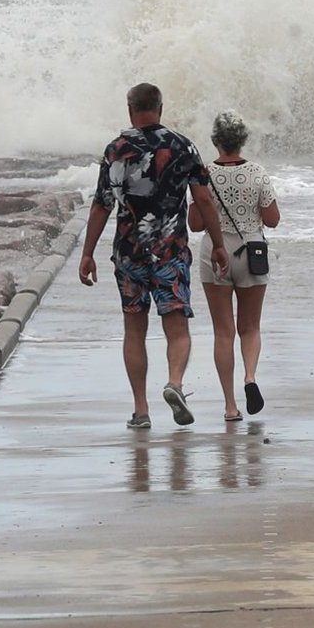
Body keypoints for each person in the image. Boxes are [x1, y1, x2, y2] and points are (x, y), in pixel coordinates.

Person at [79, 83, 229, 429]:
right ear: (160, 109)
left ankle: (141, 410)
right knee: (177, 327)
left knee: (134, 329)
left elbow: (102, 205)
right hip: (170, 251)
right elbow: (204, 200)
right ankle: (174, 382)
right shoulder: (182, 145)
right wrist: (219, 244)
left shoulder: (116, 149)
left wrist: (87, 253)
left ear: (130, 109)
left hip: (129, 252)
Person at [188, 110, 280, 421]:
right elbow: (273, 219)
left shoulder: (203, 174)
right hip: (251, 252)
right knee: (250, 327)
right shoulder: (257, 172)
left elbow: (195, 223)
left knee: (223, 332)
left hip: (215, 252)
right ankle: (250, 377)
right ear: (243, 140)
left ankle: (230, 406)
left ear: (215, 140)